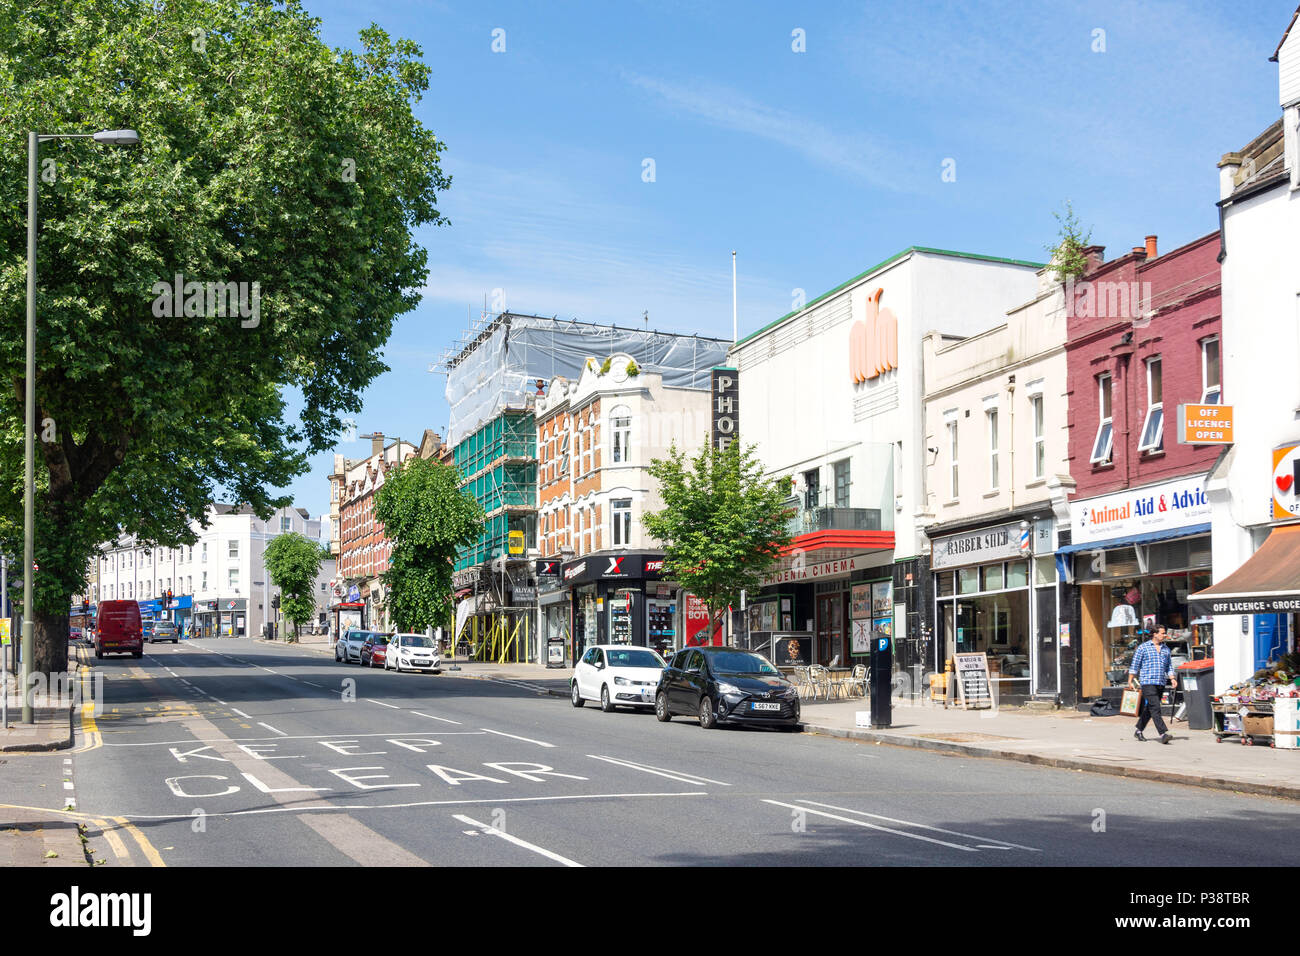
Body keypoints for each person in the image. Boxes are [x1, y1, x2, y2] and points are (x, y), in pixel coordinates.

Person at [1128, 624, 1177, 743]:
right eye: (1162, 633)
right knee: (1155, 707)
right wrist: (1130, 680)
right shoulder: (1143, 648)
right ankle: (1163, 734)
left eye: (1165, 633)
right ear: (1155, 634)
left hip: (1160, 682)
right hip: (1147, 682)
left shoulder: (1166, 649)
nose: (1164, 635)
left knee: (1150, 709)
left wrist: (1172, 678)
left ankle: (1138, 730)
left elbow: (1169, 666)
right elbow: (1135, 665)